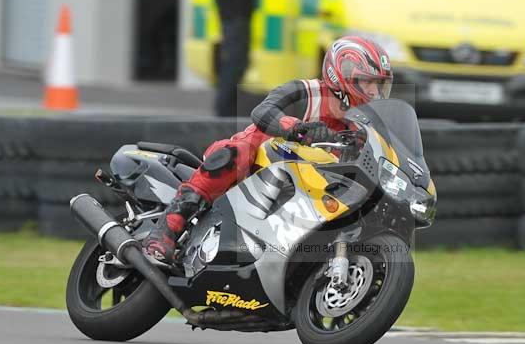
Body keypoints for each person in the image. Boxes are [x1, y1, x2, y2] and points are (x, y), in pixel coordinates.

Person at [143, 36, 394, 262]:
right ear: (343, 75)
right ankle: (166, 228)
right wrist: (297, 128)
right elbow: (262, 112)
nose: (374, 91)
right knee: (235, 154)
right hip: (258, 162)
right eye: (367, 82)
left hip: (306, 186)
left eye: (379, 84)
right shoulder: (306, 91)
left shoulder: (362, 126)